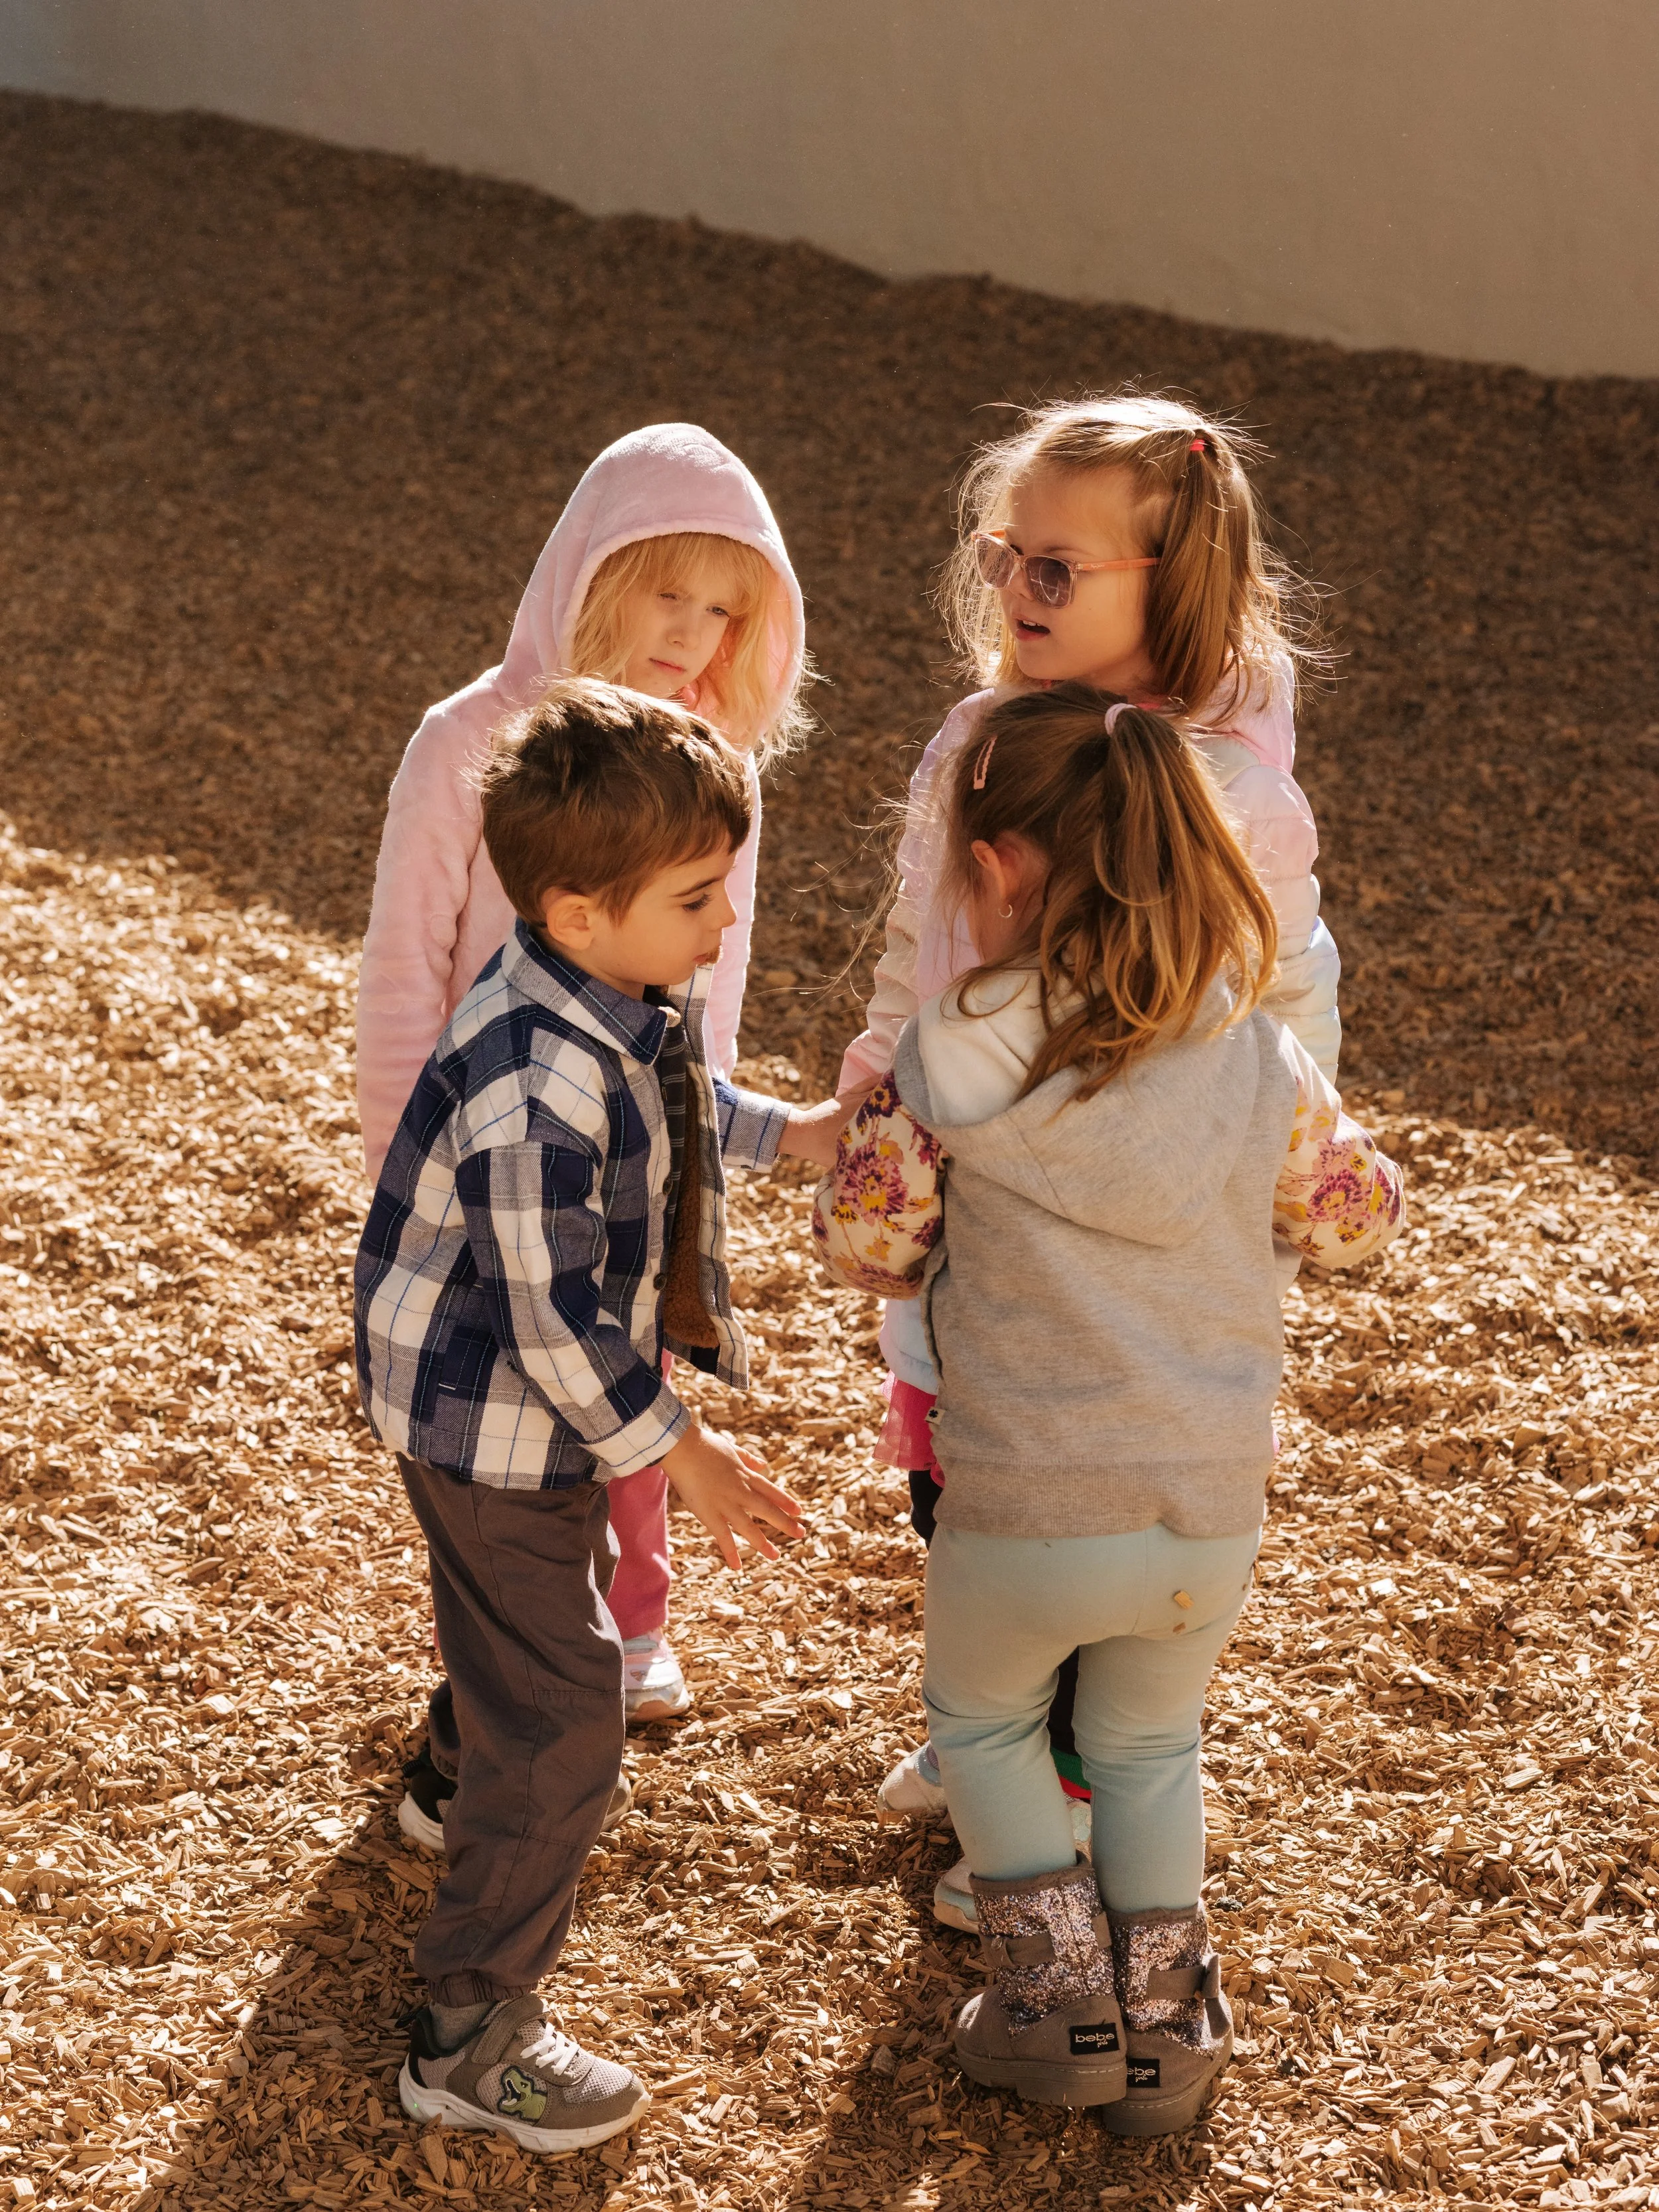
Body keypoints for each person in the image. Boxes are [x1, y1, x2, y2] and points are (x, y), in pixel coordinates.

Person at [814, 684, 1404, 2125]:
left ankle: (1054, 2009)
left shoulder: (948, 1053)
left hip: (1027, 1491)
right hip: (1203, 1501)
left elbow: (865, 1241)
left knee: (984, 1724)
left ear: (1000, 865)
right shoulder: (1256, 1050)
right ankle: (1168, 2039)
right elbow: (1356, 1216)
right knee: (1148, 1747)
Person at [838, 392, 1342, 1926]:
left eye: (1059, 571)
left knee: (1091, 1490)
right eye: (1008, 557)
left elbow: (1287, 1012)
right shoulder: (978, 742)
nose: (1016, 594)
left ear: (1168, 579)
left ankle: (1045, 1804)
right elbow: (917, 959)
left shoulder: (1235, 794)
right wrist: (871, 1094)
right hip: (974, 1200)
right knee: (968, 1462)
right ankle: (994, 1727)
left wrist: (1262, 1186)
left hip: (1139, 1256)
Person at [356, 678, 826, 2153]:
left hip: (524, 1416)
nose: (723, 923)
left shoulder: (610, 999)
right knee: (570, 1712)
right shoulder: (529, 1077)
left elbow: (681, 1095)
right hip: (486, 1417)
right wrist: (682, 1452)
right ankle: (467, 2025)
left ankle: (455, 1760)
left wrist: (797, 1137)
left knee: (522, 1638)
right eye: (698, 897)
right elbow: (548, 1316)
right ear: (573, 910)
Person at [357, 423, 817, 1789]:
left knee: (632, 1363)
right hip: (486, 1147)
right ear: (587, 576)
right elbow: (400, 965)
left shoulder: (709, 760)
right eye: (665, 593)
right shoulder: (465, 745)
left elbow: (710, 977)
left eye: (726, 608)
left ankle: (635, 1618)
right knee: (507, 1400)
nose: (693, 633)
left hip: (638, 1143)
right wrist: (399, 1152)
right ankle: (510, 1669)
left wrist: (702, 1157)